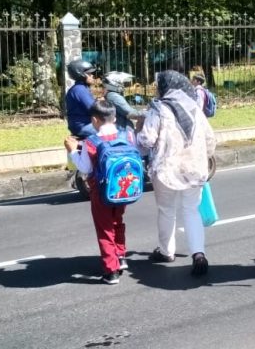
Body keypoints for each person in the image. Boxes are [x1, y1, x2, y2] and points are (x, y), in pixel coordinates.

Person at [136, 70, 216, 276]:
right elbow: (210, 140)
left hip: (166, 170)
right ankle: (199, 254)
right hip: (195, 169)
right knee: (191, 210)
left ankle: (166, 251)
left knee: (166, 210)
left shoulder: (158, 109)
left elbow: (146, 142)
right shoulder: (195, 109)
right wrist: (203, 157)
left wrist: (137, 134)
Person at [64, 100, 132, 285]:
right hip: (123, 188)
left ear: (94, 120)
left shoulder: (92, 141)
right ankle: (121, 256)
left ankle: (111, 271)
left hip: (100, 191)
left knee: (105, 228)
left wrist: (72, 151)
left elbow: (85, 167)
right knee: (118, 221)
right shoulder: (127, 135)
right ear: (115, 117)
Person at [65, 59, 98, 138]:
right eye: (89, 74)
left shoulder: (81, 88)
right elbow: (93, 109)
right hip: (83, 126)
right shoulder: (80, 90)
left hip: (83, 124)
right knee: (113, 131)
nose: (92, 76)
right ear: (81, 74)